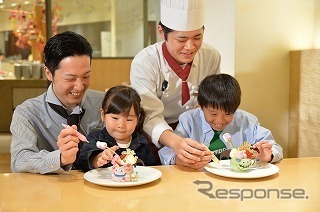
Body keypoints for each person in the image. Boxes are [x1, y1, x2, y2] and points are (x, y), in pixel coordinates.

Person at [130, 0, 220, 167]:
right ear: (161, 32)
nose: (190, 46)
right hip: (155, 135)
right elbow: (149, 115)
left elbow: (211, 100)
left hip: (194, 132)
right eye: (182, 39)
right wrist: (176, 142)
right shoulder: (145, 62)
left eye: (197, 37)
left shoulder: (211, 56)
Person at [10, 31, 105, 174]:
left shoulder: (104, 102)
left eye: (86, 76)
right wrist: (60, 158)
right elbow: (19, 161)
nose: (79, 86)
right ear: (49, 73)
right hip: (51, 192)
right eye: (70, 78)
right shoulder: (27, 113)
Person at [158, 74, 283, 169]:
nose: (220, 121)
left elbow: (276, 148)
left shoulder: (247, 121)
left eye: (228, 113)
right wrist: (182, 160)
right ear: (200, 106)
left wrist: (268, 155)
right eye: (213, 113)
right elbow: (166, 152)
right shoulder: (188, 120)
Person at [76, 85, 156, 172]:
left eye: (129, 119)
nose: (121, 125)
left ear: (138, 119)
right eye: (115, 118)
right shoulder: (95, 138)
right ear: (103, 115)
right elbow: (82, 162)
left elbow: (150, 169)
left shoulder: (141, 142)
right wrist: (98, 159)